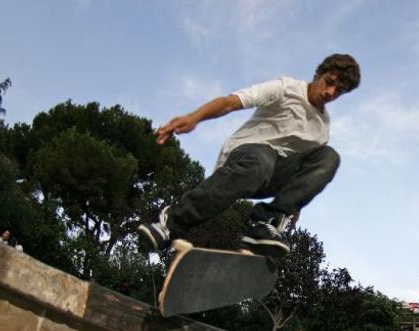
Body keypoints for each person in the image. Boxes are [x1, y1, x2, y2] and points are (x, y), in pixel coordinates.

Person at [138, 53, 361, 257]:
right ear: (319, 74)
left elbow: (309, 172)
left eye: (339, 91)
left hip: (274, 176)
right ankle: (171, 223)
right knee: (261, 162)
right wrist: (194, 117)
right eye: (329, 83)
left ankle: (267, 224)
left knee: (329, 156)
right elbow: (229, 103)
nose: (330, 93)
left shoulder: (322, 127)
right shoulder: (285, 88)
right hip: (246, 156)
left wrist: (294, 207)